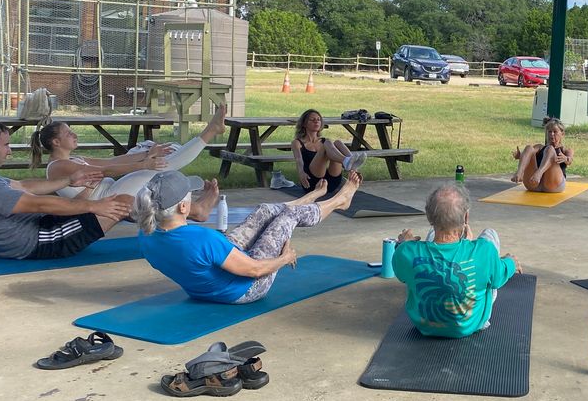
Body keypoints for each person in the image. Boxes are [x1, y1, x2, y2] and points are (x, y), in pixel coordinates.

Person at [133, 169, 361, 304]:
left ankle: (309, 200)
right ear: (183, 207)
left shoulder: (146, 235)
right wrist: (285, 257)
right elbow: (255, 270)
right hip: (246, 289)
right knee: (288, 217)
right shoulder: (200, 239)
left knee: (263, 210)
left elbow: (197, 253)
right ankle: (339, 201)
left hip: (207, 282)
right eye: (191, 196)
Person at [0, 117, 133, 259]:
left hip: (38, 226)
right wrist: (94, 206)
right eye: (6, 145)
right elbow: (39, 204)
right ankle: (159, 231)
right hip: (39, 241)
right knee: (123, 201)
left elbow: (24, 185)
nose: (9, 151)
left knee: (94, 203)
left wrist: (69, 180)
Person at [34, 103, 226, 221]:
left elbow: (113, 160)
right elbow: (107, 171)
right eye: (69, 133)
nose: (74, 135)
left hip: (116, 190)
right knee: (163, 168)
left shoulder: (75, 159)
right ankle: (210, 131)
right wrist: (144, 164)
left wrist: (148, 154)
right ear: (56, 142)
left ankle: (196, 210)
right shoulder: (57, 167)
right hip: (109, 197)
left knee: (159, 164)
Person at [392, 183, 517, 337]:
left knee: (433, 236)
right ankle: (464, 244)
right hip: (472, 324)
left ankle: (459, 241)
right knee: (490, 234)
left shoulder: (407, 252)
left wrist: (403, 244)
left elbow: (400, 271)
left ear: (429, 216)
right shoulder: (485, 250)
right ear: (466, 217)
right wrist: (510, 262)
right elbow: (498, 278)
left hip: (424, 324)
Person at [291, 108, 368, 197]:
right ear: (304, 124)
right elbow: (298, 159)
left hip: (330, 183)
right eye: (312, 120)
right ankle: (346, 161)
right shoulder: (297, 142)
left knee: (337, 143)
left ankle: (352, 166)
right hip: (312, 183)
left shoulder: (324, 141)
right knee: (327, 144)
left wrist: (355, 174)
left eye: (318, 120)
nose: (316, 122)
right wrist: (301, 172)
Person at [512, 117, 572, 192]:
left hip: (553, 185)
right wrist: (520, 156)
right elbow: (529, 153)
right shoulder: (540, 147)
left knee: (550, 149)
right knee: (529, 148)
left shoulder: (565, 150)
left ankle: (539, 174)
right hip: (533, 184)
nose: (552, 134)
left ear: (562, 134)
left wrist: (566, 159)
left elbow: (570, 160)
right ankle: (519, 173)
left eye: (555, 132)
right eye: (549, 132)